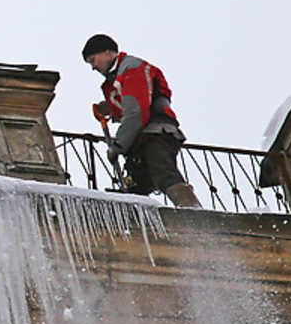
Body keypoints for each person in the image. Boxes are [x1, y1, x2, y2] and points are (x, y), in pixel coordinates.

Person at [82, 34, 203, 208]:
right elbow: (130, 105)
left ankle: (193, 213)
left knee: (163, 174)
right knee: (138, 185)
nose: (93, 67)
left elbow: (136, 111)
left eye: (93, 60)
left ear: (108, 52)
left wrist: (118, 146)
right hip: (141, 137)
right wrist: (109, 107)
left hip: (156, 132)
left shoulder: (132, 68)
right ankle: (134, 220)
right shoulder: (115, 78)